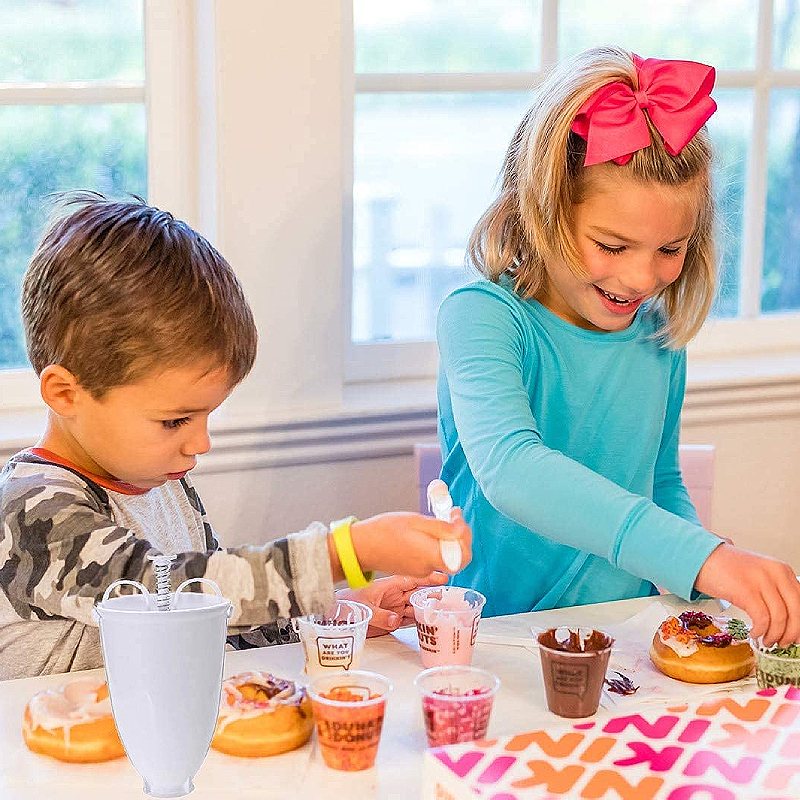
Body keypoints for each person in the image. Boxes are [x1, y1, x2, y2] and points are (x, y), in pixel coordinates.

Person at [0, 192, 471, 680]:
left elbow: (218, 615)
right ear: (65, 394)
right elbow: (173, 594)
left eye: (206, 416)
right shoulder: (34, 512)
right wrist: (347, 552)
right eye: (175, 421)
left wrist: (330, 613)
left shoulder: (161, 482)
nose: (200, 443)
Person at [436, 46, 800, 646]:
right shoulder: (481, 317)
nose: (639, 278)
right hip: (494, 642)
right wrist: (706, 557)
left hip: (623, 641)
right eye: (610, 246)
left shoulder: (657, 336)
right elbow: (513, 470)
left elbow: (659, 482)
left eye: (670, 249)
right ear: (542, 212)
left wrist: (701, 589)